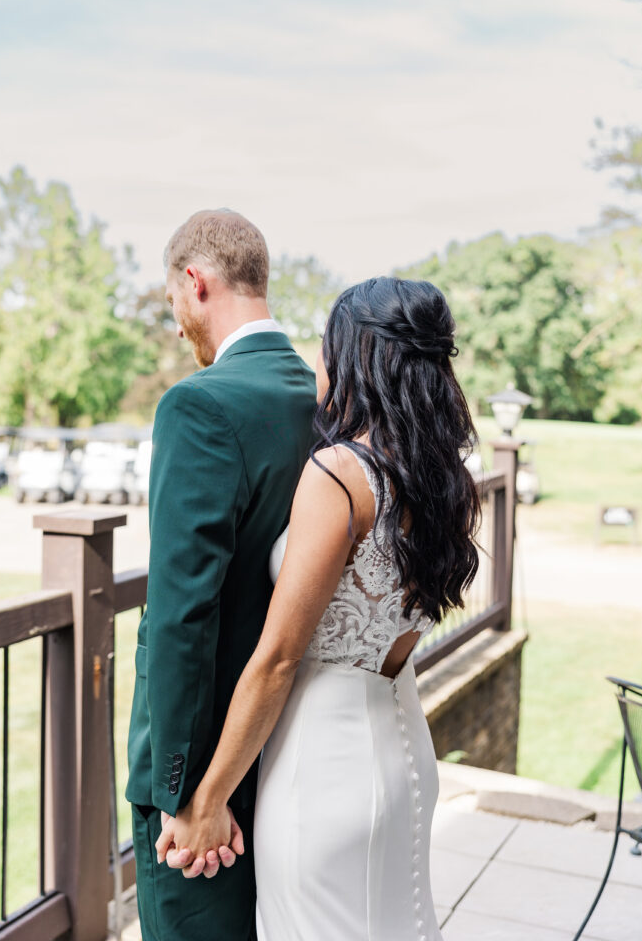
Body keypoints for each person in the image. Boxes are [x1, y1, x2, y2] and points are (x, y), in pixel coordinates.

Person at [156, 276, 482, 941]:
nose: (317, 366)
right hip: (401, 747)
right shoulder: (438, 480)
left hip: (323, 764)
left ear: (358, 356)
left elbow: (276, 660)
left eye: (327, 349)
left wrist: (207, 801)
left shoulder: (340, 474)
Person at [125, 209, 317, 941]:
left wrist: (182, 792)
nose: (177, 326)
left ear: (194, 283)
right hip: (290, 750)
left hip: (205, 775)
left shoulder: (200, 406)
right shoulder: (321, 395)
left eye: (173, 302)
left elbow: (181, 612)